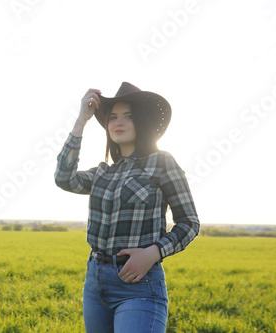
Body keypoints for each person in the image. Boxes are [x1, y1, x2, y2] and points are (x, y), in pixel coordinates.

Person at [54, 82, 200, 333]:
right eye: (112, 117)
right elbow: (64, 178)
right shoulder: (103, 172)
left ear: (142, 122)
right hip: (95, 283)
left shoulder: (162, 162)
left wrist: (154, 252)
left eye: (128, 116)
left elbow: (189, 222)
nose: (117, 122)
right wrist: (81, 120)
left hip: (139, 285)